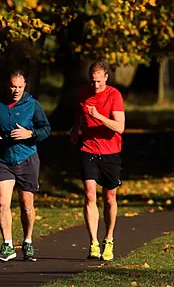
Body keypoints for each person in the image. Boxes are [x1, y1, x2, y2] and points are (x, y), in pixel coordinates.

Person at [0, 69, 51, 262]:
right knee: (3, 202)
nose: (16, 90)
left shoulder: (32, 105)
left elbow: (46, 129)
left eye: (19, 87)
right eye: (13, 86)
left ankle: (27, 242)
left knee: (26, 205)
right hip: (3, 160)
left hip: (27, 158)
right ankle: (8, 245)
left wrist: (31, 134)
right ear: (6, 85)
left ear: (25, 86)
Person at [70, 61, 126, 262]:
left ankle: (108, 239)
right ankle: (93, 242)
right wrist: (75, 130)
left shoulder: (114, 95)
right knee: (89, 195)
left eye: (99, 82)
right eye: (92, 82)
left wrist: (99, 116)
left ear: (106, 78)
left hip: (111, 152)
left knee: (110, 198)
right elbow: (79, 115)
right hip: (88, 149)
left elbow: (119, 127)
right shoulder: (82, 94)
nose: (95, 86)